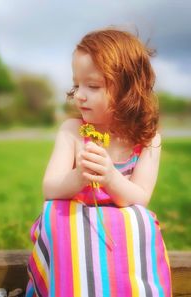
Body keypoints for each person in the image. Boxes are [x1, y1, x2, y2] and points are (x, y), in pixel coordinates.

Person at [25, 27, 172, 297]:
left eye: (92, 86)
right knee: (57, 220)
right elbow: (50, 189)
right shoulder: (72, 131)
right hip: (73, 222)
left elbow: (140, 198)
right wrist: (79, 175)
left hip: (121, 226)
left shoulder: (149, 139)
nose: (80, 94)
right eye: (76, 84)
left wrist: (111, 178)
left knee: (141, 223)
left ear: (129, 90)